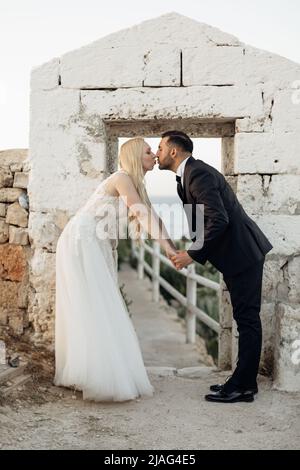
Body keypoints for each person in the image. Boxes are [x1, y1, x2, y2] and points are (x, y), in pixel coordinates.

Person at [54, 137, 176, 402]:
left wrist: (171, 247)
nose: (154, 155)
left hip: (96, 243)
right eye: (148, 151)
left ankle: (90, 370)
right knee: (94, 304)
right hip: (82, 241)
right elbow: (141, 214)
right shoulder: (122, 177)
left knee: (96, 304)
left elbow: (152, 217)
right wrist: (168, 249)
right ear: (134, 156)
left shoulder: (134, 185)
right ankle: (96, 375)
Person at [156, 130, 273, 403]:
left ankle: (243, 387)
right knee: (244, 319)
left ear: (174, 151)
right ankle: (241, 383)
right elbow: (203, 222)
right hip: (236, 256)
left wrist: (192, 255)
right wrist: (190, 251)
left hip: (243, 254)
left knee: (247, 320)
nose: (157, 152)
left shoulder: (198, 174)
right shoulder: (186, 176)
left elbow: (218, 220)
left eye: (160, 147)